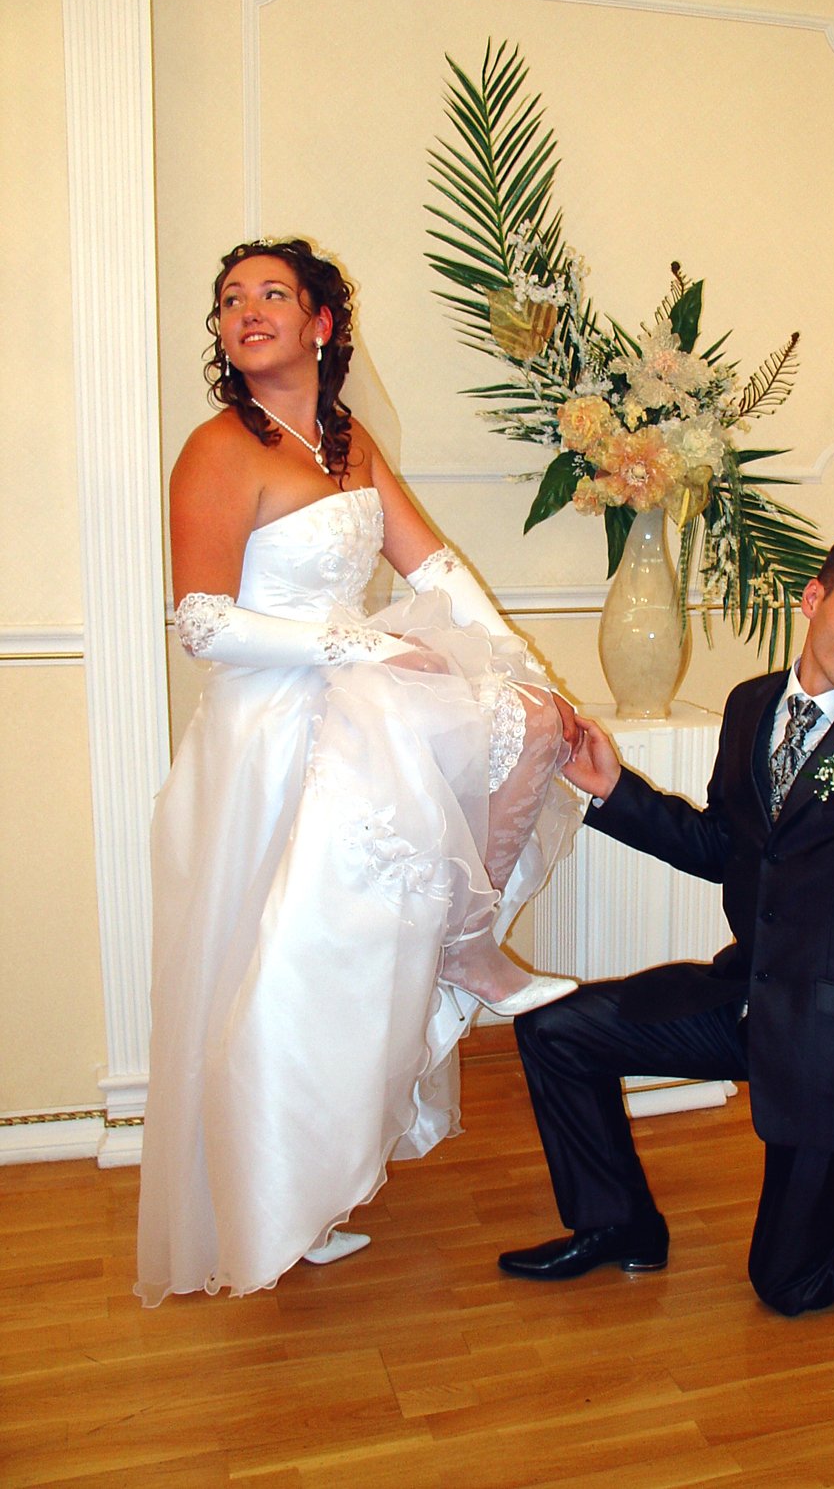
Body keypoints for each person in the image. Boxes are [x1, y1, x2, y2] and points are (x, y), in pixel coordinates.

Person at [135, 238, 581, 1306]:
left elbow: (440, 573)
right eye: (230, 299)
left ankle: (460, 953)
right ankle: (271, 1204)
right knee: (290, 972)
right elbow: (201, 623)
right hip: (270, 726)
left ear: (321, 323)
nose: (247, 310)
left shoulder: (348, 441)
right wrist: (361, 645)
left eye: (271, 294)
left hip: (357, 707)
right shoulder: (218, 448)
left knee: (522, 732)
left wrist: (537, 681)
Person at [497, 530, 834, 1315]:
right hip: (745, 998)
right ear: (812, 597)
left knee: (792, 1281)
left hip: (833, 1040)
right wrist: (614, 791)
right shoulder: (751, 704)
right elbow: (725, 848)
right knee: (556, 1030)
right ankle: (619, 1224)